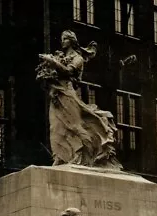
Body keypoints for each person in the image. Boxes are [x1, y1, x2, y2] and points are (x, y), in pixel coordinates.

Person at [36, 30, 122, 169]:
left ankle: (86, 154)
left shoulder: (78, 58)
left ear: (71, 41)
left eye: (65, 39)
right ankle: (60, 157)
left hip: (67, 93)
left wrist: (52, 62)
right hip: (56, 94)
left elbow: (69, 71)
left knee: (74, 126)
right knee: (55, 127)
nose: (62, 41)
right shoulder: (61, 56)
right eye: (62, 38)